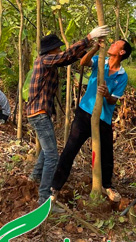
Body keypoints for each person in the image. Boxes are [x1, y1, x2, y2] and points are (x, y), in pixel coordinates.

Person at [26, 26, 110, 209]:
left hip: (39, 113)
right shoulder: (45, 60)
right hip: (39, 113)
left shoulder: (47, 61)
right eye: (57, 48)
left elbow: (69, 59)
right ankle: (43, 199)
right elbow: (65, 56)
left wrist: (94, 48)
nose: (59, 50)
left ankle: (34, 177)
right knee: (52, 156)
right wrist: (88, 37)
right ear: (51, 50)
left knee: (48, 151)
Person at [50, 38, 131, 203]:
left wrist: (107, 94)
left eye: (116, 44)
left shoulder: (122, 76)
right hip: (85, 112)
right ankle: (55, 187)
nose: (112, 44)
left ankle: (107, 185)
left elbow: (113, 101)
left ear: (122, 52)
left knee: (107, 153)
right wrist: (94, 49)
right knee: (70, 149)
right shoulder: (100, 61)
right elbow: (83, 62)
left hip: (103, 118)